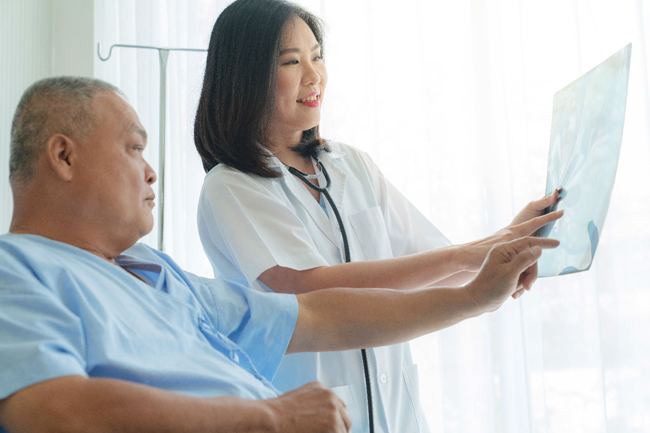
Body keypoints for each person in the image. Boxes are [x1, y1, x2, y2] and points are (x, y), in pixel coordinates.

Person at [0, 77, 558, 433]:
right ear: (63, 156)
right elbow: (49, 410)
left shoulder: (156, 275)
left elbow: (314, 316)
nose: (150, 172)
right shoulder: (16, 270)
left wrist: (474, 297)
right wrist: (269, 416)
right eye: (134, 148)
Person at [193, 1, 563, 432]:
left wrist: (510, 240)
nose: (314, 76)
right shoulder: (231, 186)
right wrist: (473, 254)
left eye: (318, 56)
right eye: (292, 61)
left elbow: (438, 269)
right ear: (244, 76)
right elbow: (310, 290)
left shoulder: (351, 164)